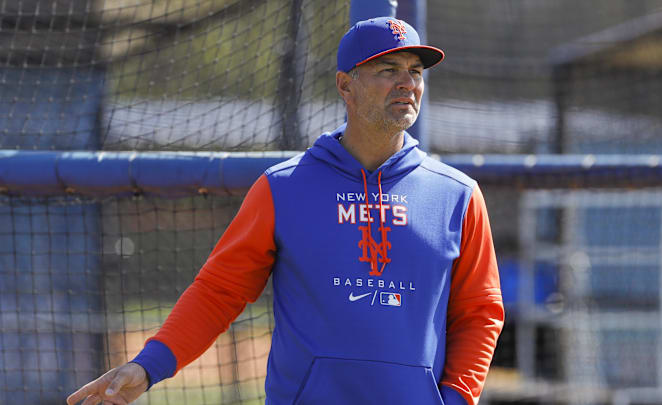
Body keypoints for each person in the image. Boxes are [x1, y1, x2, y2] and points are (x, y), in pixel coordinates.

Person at [67, 16, 504, 405]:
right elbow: (219, 291)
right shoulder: (283, 188)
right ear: (345, 85)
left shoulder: (458, 195)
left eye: (415, 71)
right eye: (387, 70)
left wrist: (457, 398)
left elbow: (480, 312)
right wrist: (148, 366)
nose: (407, 83)